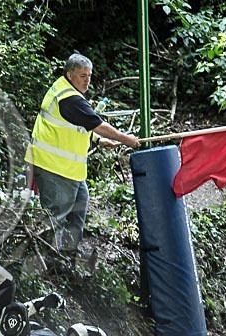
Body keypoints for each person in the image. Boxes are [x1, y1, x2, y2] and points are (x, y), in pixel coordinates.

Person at [25, 53, 141, 259]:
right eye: (82, 76)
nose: (87, 80)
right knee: (55, 219)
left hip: (71, 171)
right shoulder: (69, 98)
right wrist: (126, 139)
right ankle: (46, 264)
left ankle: (68, 257)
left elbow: (77, 125)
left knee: (77, 215)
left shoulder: (66, 90)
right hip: (54, 168)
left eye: (89, 75)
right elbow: (97, 124)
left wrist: (97, 140)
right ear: (70, 75)